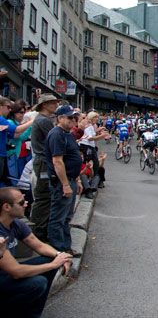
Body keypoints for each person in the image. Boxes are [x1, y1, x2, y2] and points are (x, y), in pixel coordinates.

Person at [0, 187, 73, 318]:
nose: (26, 203)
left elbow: (38, 245)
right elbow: (16, 271)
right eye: (21, 202)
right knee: (38, 283)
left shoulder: (15, 223)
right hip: (4, 279)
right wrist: (54, 265)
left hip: (7, 276)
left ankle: (34, 314)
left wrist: (60, 256)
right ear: (6, 207)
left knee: (49, 259)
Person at [45, 105, 83, 253]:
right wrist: (65, 185)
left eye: (74, 117)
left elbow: (73, 157)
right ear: (60, 118)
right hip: (62, 182)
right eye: (69, 117)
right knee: (58, 217)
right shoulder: (56, 134)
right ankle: (58, 250)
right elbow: (57, 161)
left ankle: (66, 246)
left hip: (71, 179)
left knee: (67, 217)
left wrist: (77, 180)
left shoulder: (67, 133)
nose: (73, 120)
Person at [29, 94, 61, 242]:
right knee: (44, 197)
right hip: (43, 162)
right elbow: (55, 138)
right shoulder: (43, 121)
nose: (55, 105)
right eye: (52, 102)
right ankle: (38, 231)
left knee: (46, 196)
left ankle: (40, 229)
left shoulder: (43, 120)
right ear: (44, 105)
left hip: (43, 161)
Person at [0, 97, 34, 187]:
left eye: (24, 112)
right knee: (11, 179)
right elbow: (17, 131)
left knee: (9, 179)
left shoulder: (7, 121)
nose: (9, 109)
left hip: (9, 154)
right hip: (8, 155)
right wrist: (31, 122)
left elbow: (16, 135)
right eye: (8, 107)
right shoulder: (6, 121)